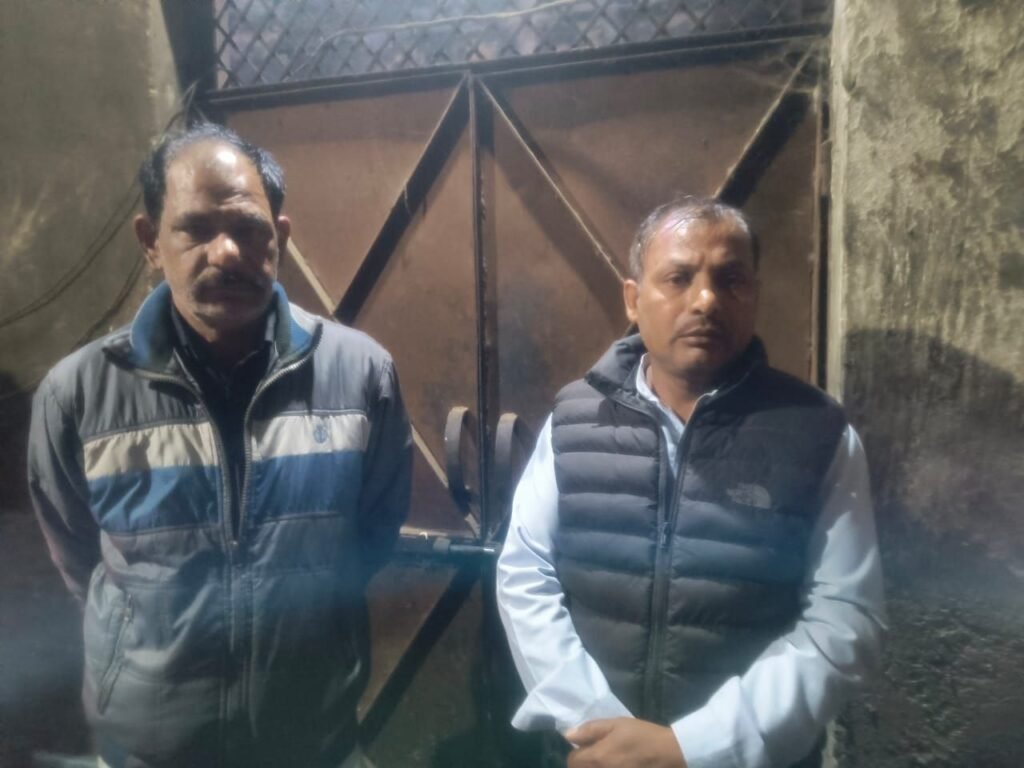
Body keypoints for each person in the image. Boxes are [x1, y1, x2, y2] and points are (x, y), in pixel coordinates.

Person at [27, 123, 412, 768]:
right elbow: (77, 554)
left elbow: (373, 533)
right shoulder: (80, 394)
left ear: (280, 238)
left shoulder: (360, 373)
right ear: (150, 242)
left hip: (311, 740)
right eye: (196, 229)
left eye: (249, 229)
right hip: (148, 748)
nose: (228, 253)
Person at [496, 197, 885, 768]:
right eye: (679, 278)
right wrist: (596, 725)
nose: (706, 300)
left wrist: (694, 748)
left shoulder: (816, 433)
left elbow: (845, 618)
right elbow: (526, 571)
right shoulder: (575, 419)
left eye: (731, 280)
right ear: (633, 299)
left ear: (754, 294)